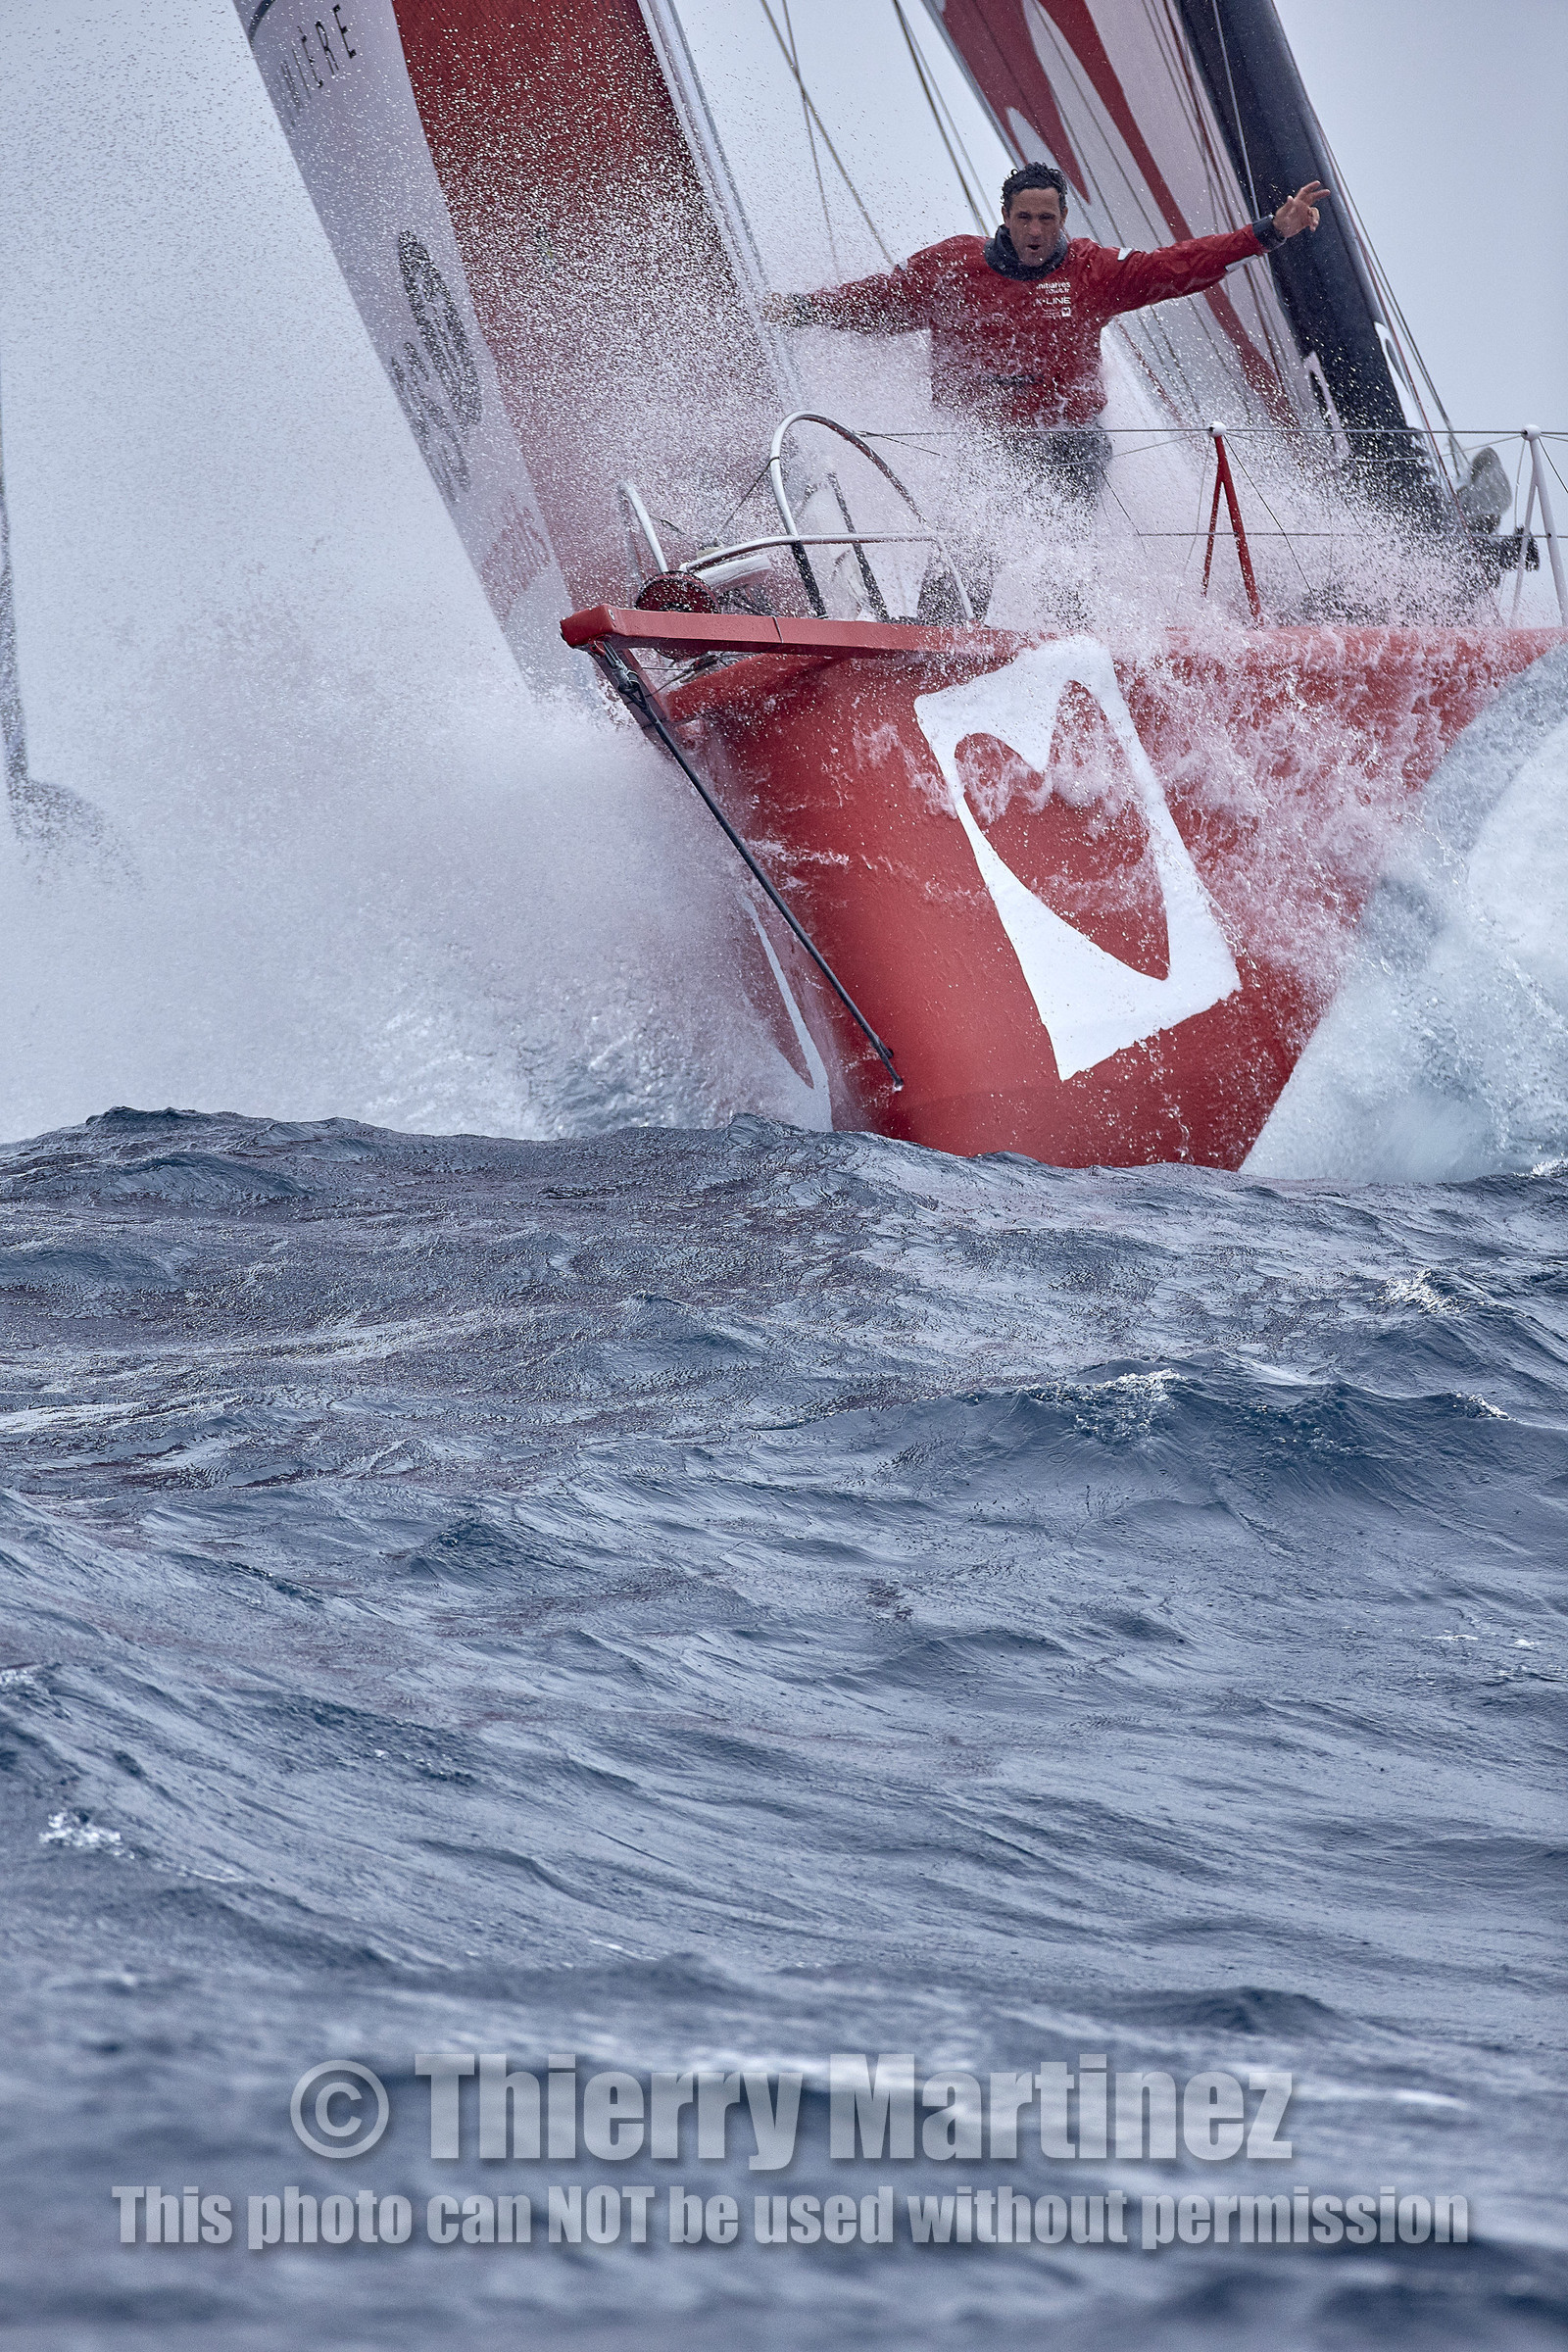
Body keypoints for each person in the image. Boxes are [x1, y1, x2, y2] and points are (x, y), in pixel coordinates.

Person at [766, 163, 1329, 516]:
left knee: (1066, 559)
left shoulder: (1094, 273)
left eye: (1046, 219)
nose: (1035, 231)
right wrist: (791, 310)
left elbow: (1179, 265)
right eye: (1024, 218)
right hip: (985, 442)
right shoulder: (952, 268)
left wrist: (1269, 231)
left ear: (1062, 219)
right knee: (967, 545)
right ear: (1005, 217)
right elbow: (874, 304)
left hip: (1067, 438)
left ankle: (1070, 653)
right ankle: (932, 643)